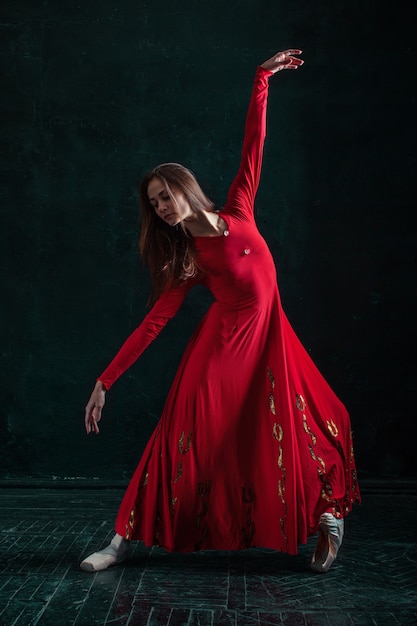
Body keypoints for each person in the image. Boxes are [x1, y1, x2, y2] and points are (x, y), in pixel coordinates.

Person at [81, 49, 361, 574]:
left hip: (269, 341)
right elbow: (153, 325)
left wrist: (262, 78)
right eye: (155, 204)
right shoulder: (188, 261)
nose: (163, 206)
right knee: (177, 439)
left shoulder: (238, 207)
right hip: (220, 352)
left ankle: (327, 518)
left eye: (166, 195)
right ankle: (118, 543)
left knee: (318, 421)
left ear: (185, 188)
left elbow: (253, 144)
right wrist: (104, 381)